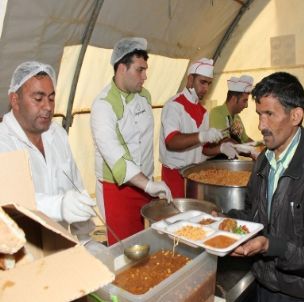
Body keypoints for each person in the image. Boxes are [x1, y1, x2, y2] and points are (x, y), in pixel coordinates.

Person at [225, 72, 304, 301]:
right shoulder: (263, 160)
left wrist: (271, 246)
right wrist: (224, 221)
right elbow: (255, 215)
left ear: (295, 116)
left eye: (270, 114)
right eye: (259, 114)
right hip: (266, 282)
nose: (261, 125)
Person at [0, 61, 96, 244]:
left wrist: (85, 238)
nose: (48, 107)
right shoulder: (3, 142)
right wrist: (59, 205)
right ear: (15, 100)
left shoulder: (57, 134)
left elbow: (75, 184)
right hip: (22, 251)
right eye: (38, 99)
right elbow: (11, 200)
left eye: (51, 98)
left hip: (60, 244)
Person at [90, 37, 172, 245]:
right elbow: (115, 158)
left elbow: (144, 143)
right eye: (139, 70)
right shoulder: (103, 105)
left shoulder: (145, 96)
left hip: (145, 181)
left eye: (146, 70)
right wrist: (148, 185)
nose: (145, 76)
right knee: (126, 250)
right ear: (121, 68)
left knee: (151, 244)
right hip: (117, 190)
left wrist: (150, 182)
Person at [159, 58, 238, 198]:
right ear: (190, 80)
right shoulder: (174, 106)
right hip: (174, 176)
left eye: (209, 84)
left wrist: (221, 149)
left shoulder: (203, 112)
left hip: (194, 175)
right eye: (202, 82)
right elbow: (171, 142)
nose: (206, 88)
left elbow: (204, 149)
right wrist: (202, 136)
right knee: (177, 217)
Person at [209, 75, 254, 144]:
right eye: (244, 101)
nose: (246, 106)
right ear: (234, 99)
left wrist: (261, 148)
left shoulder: (237, 118)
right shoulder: (217, 113)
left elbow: (246, 139)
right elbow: (225, 142)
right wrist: (249, 150)